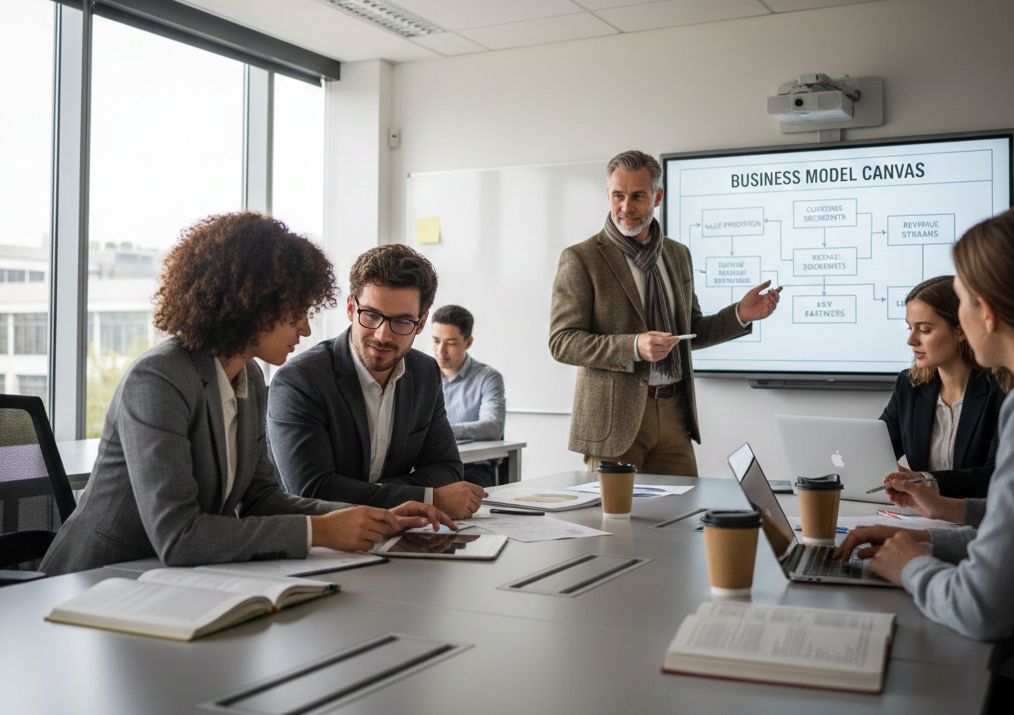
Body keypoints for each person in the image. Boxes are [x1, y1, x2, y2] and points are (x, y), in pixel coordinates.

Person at [40, 213, 450, 576]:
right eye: (296, 313)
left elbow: (262, 498)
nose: (306, 330)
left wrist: (372, 517)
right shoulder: (159, 377)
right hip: (95, 582)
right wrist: (320, 530)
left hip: (172, 582)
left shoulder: (249, 377)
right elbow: (178, 535)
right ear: (251, 304)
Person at [834, 208, 1014, 709]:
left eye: (958, 304)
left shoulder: (1004, 395)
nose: (911, 340)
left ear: (982, 317)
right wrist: (934, 522)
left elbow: (981, 608)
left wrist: (911, 562)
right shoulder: (912, 384)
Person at [549, 150, 782, 476]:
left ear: (657, 196)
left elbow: (690, 331)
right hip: (614, 423)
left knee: (682, 518)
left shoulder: (676, 255)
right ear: (608, 195)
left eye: (637, 196)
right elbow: (563, 342)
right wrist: (634, 346)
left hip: (674, 414)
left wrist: (741, 314)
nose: (625, 207)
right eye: (618, 196)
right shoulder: (582, 258)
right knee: (615, 524)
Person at [268, 244, 485, 519]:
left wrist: (362, 491)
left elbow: (448, 469)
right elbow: (312, 489)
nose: (383, 335)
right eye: (371, 315)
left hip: (391, 536)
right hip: (314, 544)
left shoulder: (425, 372)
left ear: (420, 324)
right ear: (350, 308)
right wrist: (428, 497)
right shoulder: (301, 379)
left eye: (403, 322)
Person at [879, 275, 1006, 498]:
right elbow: (877, 448)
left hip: (979, 521)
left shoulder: (1001, 390)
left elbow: (996, 477)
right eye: (910, 327)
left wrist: (925, 482)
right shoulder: (909, 386)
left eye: (925, 329)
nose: (911, 340)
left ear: (960, 330)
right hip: (921, 517)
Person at [431, 305, 506, 487]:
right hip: (429, 465)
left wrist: (440, 431)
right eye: (436, 341)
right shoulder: (421, 374)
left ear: (468, 342)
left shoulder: (488, 377)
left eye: (450, 343)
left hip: (471, 468)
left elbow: (492, 427)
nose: (441, 351)